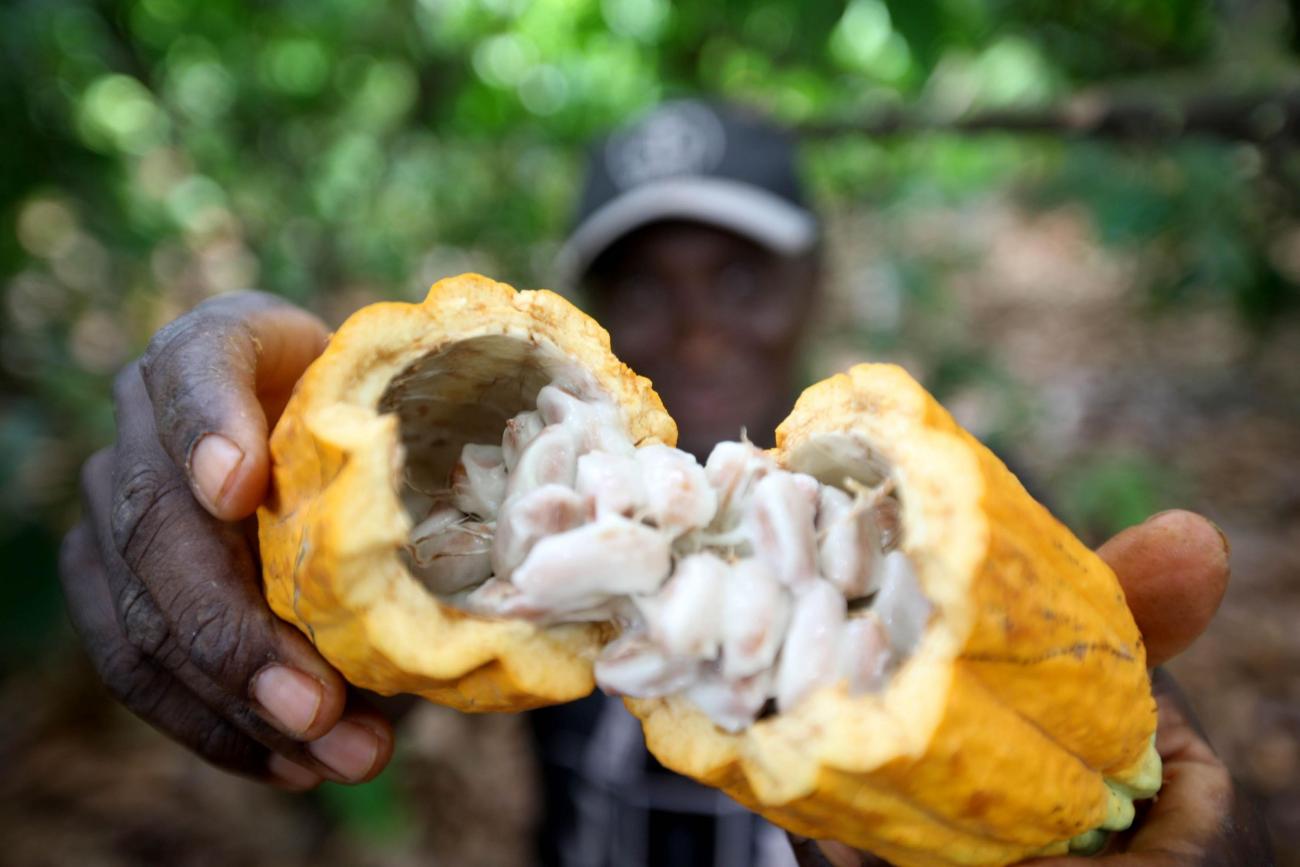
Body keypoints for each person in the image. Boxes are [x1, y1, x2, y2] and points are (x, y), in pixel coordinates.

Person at [59, 100, 1271, 865]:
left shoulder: (1013, 517)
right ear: (590, 307)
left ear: (813, 280)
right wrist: (268, 539)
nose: (694, 329)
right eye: (644, 283)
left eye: (737, 273)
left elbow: (1099, 740)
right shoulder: (543, 623)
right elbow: (385, 662)